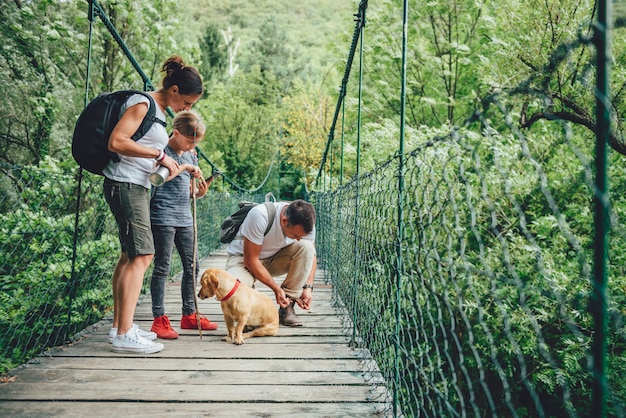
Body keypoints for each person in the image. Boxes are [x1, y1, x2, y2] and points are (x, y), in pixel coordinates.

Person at [103, 55, 203, 354]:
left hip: (137, 185)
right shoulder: (143, 103)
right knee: (144, 256)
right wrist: (159, 156)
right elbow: (116, 142)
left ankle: (122, 326)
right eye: (187, 101)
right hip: (125, 184)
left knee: (129, 256)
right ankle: (123, 334)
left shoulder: (158, 112)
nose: (189, 108)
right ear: (174, 89)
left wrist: (170, 165)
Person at [149, 110, 220, 339]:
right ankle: (159, 319)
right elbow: (161, 179)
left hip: (184, 217)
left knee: (193, 266)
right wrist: (187, 168)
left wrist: (197, 193)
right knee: (163, 267)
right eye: (190, 141)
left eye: (196, 142)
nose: (192, 146)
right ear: (176, 133)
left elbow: (186, 190)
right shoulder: (162, 151)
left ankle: (189, 314)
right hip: (162, 216)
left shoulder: (191, 154)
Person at [225, 200, 317, 326]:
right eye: (295, 235)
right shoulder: (260, 215)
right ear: (284, 221)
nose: (298, 239)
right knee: (232, 289)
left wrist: (308, 287)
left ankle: (287, 306)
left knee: (307, 247)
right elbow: (250, 260)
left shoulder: (306, 223)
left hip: (274, 258)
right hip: (243, 260)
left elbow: (311, 256)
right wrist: (276, 288)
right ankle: (250, 308)